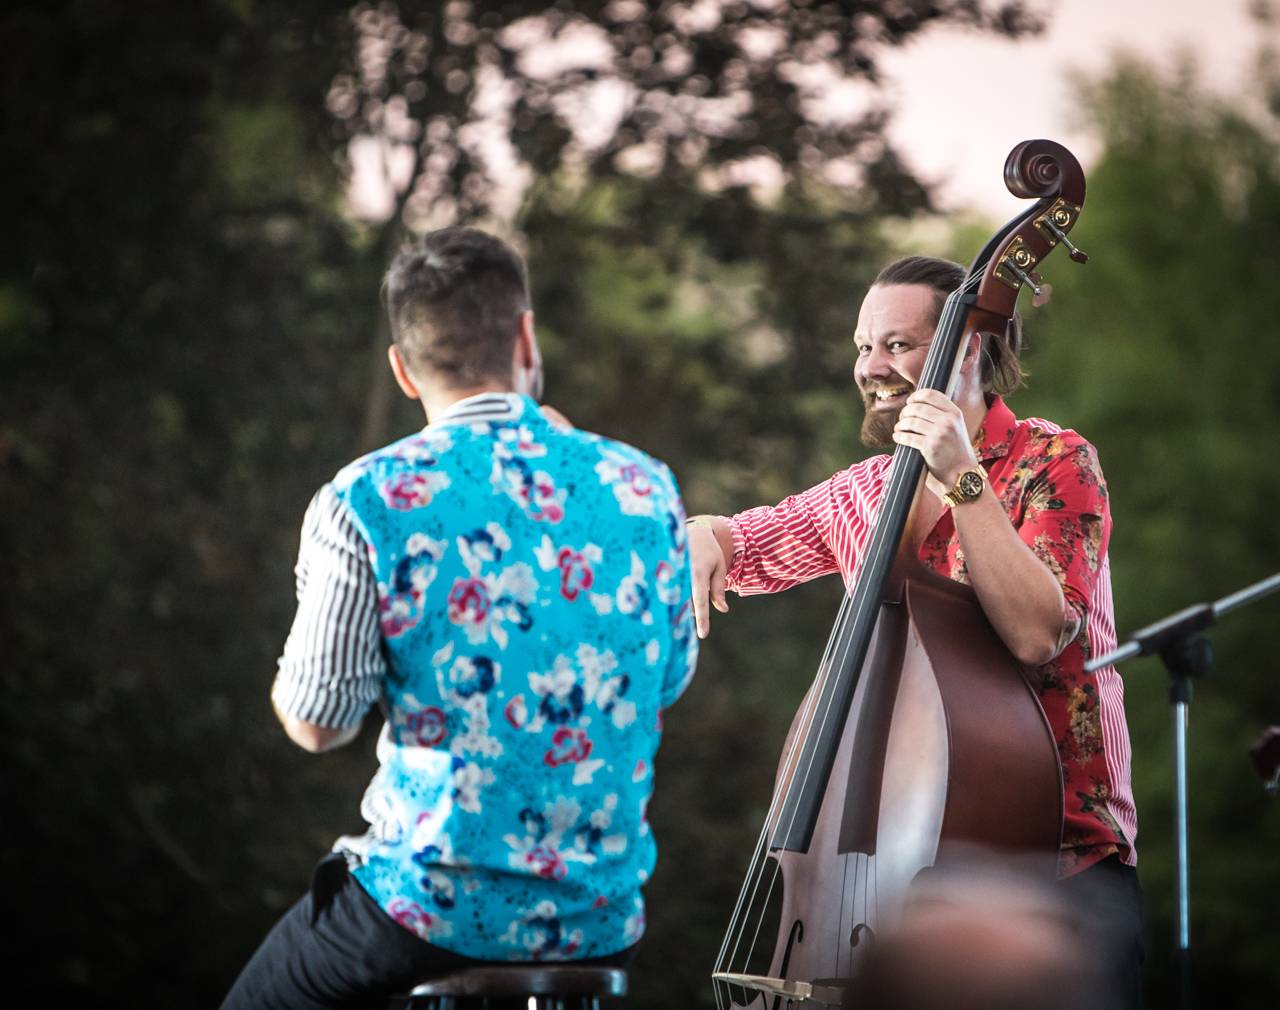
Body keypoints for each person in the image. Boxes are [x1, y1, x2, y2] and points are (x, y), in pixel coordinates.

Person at [222, 227, 698, 1009]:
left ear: (402, 369)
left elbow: (318, 725)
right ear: (526, 339)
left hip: (428, 911)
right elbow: (666, 679)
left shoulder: (368, 497)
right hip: (601, 919)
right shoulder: (643, 485)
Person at [688, 256, 1142, 1004]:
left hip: (1055, 863)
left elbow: (1038, 633)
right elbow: (746, 544)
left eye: (896, 345)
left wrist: (963, 478)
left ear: (966, 349)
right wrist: (704, 532)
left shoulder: (1055, 462)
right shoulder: (866, 491)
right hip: (898, 883)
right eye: (864, 347)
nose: (871, 367)